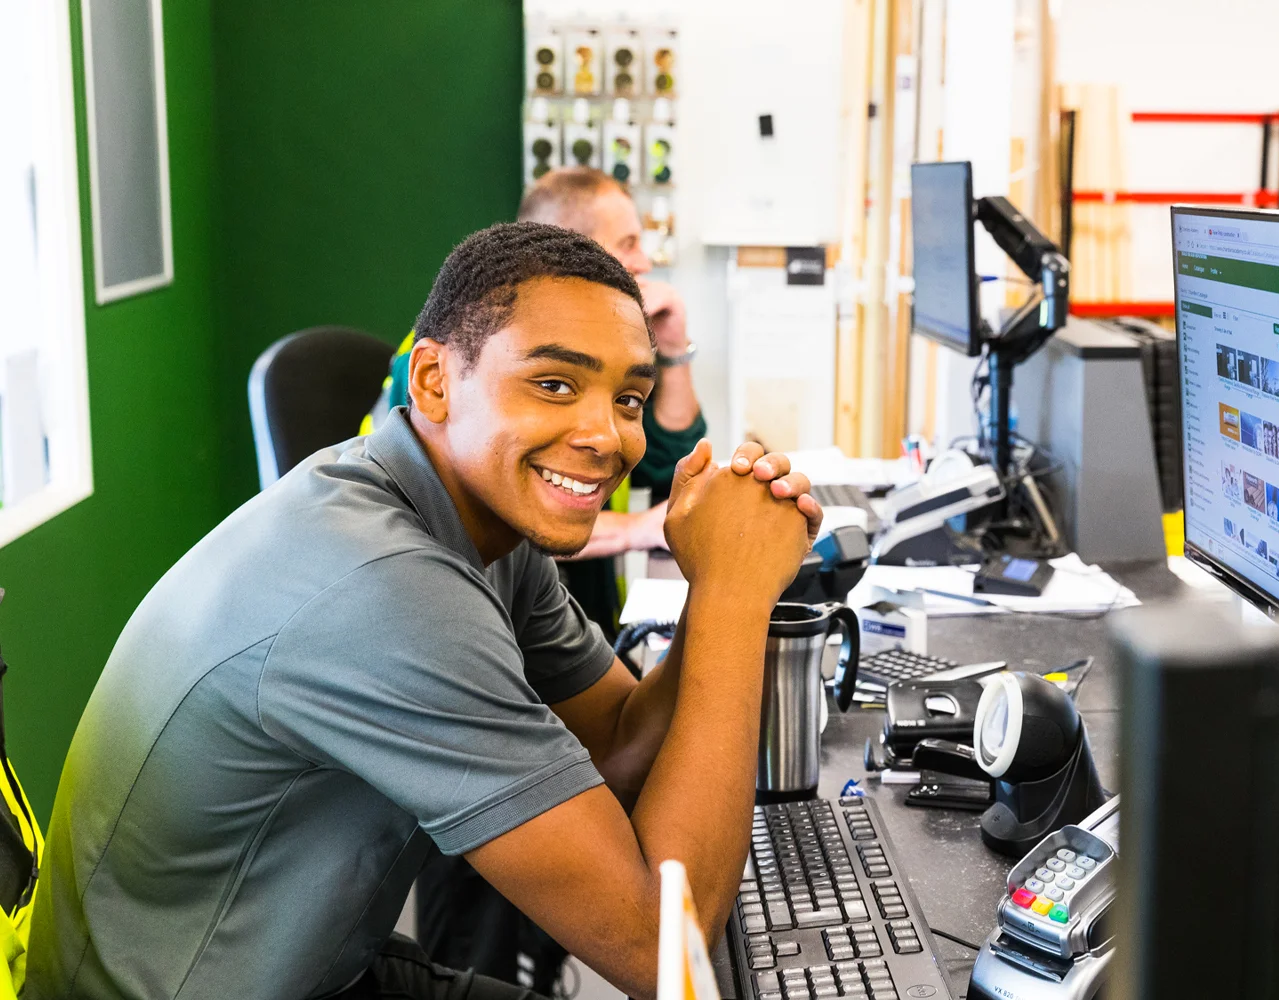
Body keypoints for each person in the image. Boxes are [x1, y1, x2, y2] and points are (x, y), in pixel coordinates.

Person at [29, 222, 821, 1000]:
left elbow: (617, 745)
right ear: (434, 381)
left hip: (327, 966)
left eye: (628, 398)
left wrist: (720, 586)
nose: (604, 435)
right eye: (553, 383)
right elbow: (666, 955)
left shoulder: (477, 521)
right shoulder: (386, 587)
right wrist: (730, 595)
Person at [367, 168, 702, 636]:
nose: (644, 262)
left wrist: (673, 348)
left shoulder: (607, 358)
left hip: (576, 609)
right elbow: (498, 490)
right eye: (627, 244)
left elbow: (670, 461)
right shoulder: (456, 352)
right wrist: (635, 531)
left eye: (629, 399)